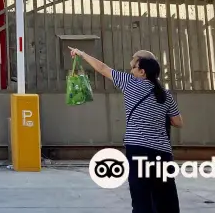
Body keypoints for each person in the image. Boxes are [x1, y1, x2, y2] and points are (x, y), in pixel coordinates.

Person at [69, 47, 183, 213]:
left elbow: (102, 68)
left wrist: (81, 53)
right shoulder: (165, 94)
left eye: (134, 67)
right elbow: (178, 122)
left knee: (141, 197)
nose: (131, 69)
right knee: (166, 197)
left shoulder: (130, 83)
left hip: (138, 149)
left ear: (142, 72)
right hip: (162, 152)